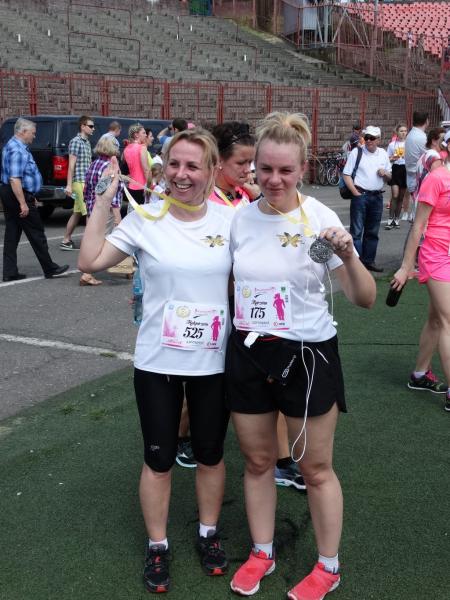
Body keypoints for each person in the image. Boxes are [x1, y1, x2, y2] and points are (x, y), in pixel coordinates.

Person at [226, 112, 376, 599]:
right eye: (265, 168)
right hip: (250, 351)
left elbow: (365, 298)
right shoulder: (240, 218)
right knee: (257, 461)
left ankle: (328, 567)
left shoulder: (321, 219)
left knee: (314, 469)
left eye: (285, 170)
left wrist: (349, 255)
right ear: (255, 166)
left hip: (309, 355)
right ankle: (262, 552)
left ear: (303, 168)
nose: (274, 179)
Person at [78, 128, 234, 593]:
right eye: (175, 164)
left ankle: (208, 533)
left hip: (213, 362)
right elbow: (90, 260)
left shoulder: (232, 221)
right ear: (163, 166)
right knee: (159, 457)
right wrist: (102, 201)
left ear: (211, 171)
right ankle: (158, 544)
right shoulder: (146, 218)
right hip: (157, 362)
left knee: (210, 454)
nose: (182, 174)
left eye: (193, 166)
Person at [391, 156, 450, 411]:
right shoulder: (437, 179)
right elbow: (418, 226)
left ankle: (419, 374)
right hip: (437, 254)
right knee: (448, 320)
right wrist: (406, 267)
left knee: (438, 318)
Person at [0, 117, 68, 281]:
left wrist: (31, 196)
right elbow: (15, 179)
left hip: (12, 193)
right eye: (32, 133)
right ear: (23, 132)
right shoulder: (18, 150)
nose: (34, 136)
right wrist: (23, 202)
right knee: (36, 232)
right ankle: (50, 268)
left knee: (12, 233)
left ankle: (9, 272)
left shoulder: (11, 145)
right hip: (17, 194)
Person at [343, 125, 391, 272]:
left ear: (378, 140)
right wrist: (355, 192)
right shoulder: (357, 152)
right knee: (357, 232)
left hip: (377, 196)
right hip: (361, 195)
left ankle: (368, 261)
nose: (369, 140)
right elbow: (346, 174)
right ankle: (357, 264)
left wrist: (385, 173)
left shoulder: (383, 153)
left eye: (372, 138)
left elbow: (390, 177)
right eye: (366, 137)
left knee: (372, 232)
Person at [81, 136, 124, 286]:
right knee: (104, 238)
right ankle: (87, 273)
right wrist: (118, 216)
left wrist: (88, 205)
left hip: (92, 206)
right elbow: (113, 194)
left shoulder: (94, 164)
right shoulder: (110, 167)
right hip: (105, 209)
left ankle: (89, 270)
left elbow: (86, 188)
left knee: (93, 238)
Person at [60, 115, 94, 251]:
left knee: (77, 213)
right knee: (89, 212)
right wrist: (69, 185)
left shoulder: (87, 142)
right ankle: (89, 244)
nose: (93, 128)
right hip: (79, 181)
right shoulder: (75, 141)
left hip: (85, 181)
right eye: (90, 126)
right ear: (82, 126)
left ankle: (66, 240)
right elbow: (71, 165)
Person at [210, 121, 257, 208]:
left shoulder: (248, 193)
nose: (248, 170)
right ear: (219, 160)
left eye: (250, 162)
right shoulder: (205, 201)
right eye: (241, 163)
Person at [385, 123, 407, 230]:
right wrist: (393, 158)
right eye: (401, 131)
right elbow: (387, 159)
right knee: (395, 195)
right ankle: (390, 219)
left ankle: (397, 219)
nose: (403, 133)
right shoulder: (392, 145)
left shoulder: (409, 144)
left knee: (401, 197)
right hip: (395, 169)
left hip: (405, 170)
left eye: (405, 131)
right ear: (397, 132)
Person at [123, 123, 150, 205]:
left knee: (133, 211)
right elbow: (146, 169)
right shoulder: (142, 147)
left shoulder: (126, 148)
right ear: (136, 135)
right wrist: (150, 186)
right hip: (142, 186)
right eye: (144, 133)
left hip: (131, 186)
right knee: (142, 211)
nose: (146, 135)